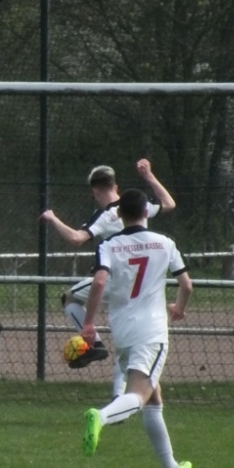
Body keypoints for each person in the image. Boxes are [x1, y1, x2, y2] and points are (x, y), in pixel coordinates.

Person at [80, 188, 193, 468]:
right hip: (152, 331)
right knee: (140, 396)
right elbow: (186, 285)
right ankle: (101, 417)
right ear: (145, 212)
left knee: (153, 398)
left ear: (119, 214)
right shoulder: (165, 243)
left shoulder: (109, 245)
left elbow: (99, 282)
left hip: (123, 331)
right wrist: (179, 308)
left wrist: (88, 322)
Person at [40, 159, 176, 398]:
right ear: (115, 186)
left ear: (94, 191)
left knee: (69, 298)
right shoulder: (138, 206)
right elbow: (169, 204)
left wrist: (53, 218)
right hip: (143, 284)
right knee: (128, 343)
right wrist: (149, 176)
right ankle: (119, 396)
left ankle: (94, 343)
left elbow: (76, 238)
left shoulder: (105, 215)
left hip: (116, 279)